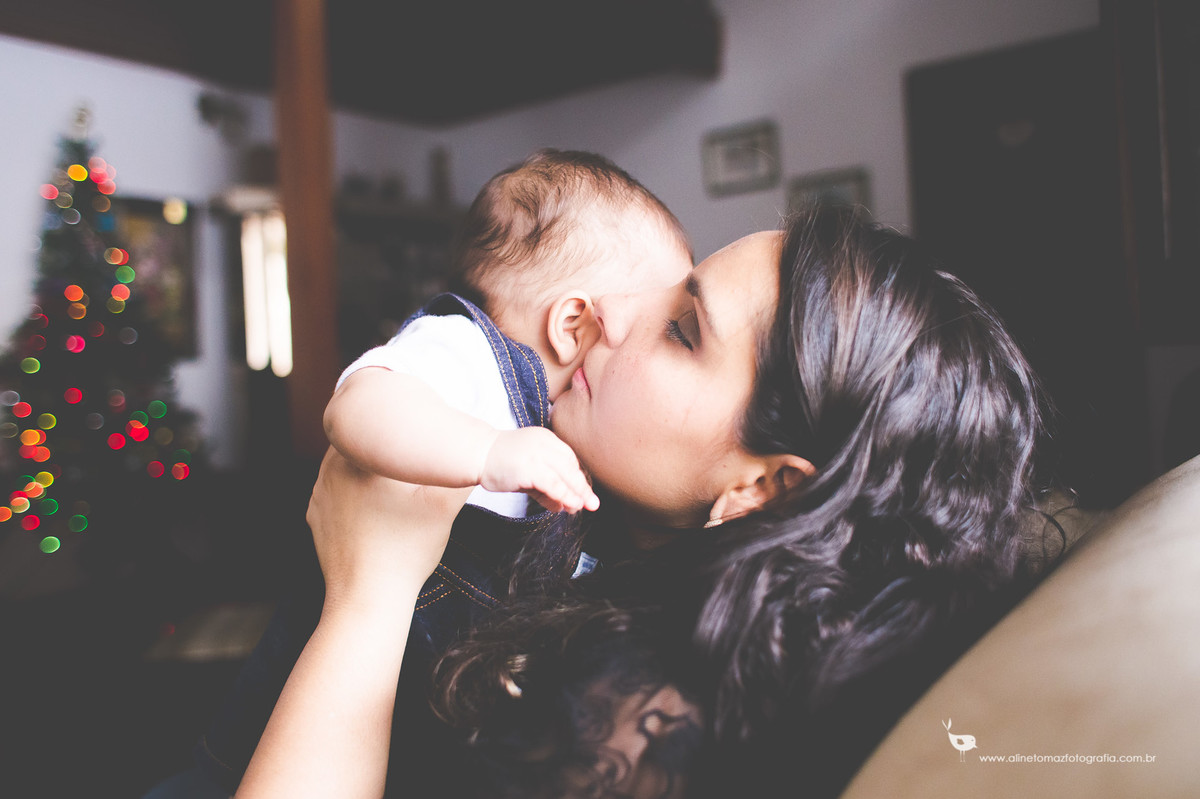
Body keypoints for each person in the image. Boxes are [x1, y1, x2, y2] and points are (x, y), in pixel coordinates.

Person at [232, 205, 1053, 799]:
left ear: (764, 486)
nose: (607, 312)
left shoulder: (636, 727)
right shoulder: (620, 547)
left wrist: (364, 600)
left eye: (683, 328)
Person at [325, 148, 696, 521]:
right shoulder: (466, 351)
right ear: (571, 326)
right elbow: (354, 408)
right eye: (654, 325)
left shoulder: (570, 424)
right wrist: (488, 451)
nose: (653, 340)